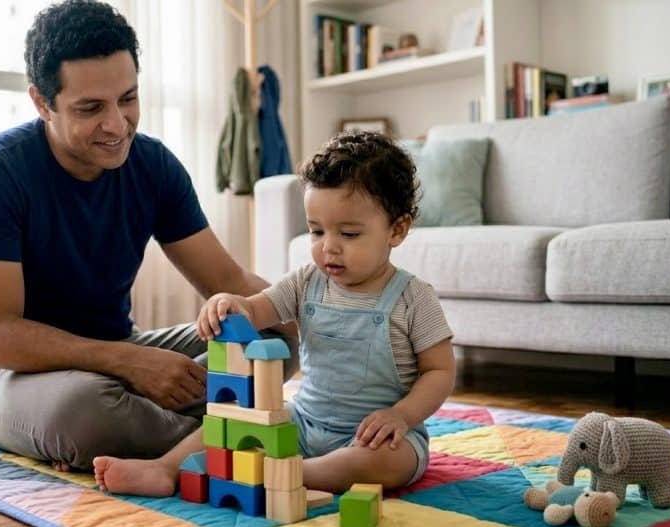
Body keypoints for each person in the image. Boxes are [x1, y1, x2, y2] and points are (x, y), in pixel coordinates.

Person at [0, 0, 291, 473]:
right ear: (42, 102)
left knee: (270, 337)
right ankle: (236, 437)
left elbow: (226, 278)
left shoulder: (153, 165)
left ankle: (158, 437)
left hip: (118, 360)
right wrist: (129, 363)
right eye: (91, 108)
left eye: (127, 98)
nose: (117, 125)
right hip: (5, 378)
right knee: (84, 411)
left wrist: (321, 327)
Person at [94, 130, 456, 495]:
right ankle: (165, 468)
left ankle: (294, 474)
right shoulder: (306, 282)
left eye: (348, 234)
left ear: (397, 230)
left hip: (375, 436)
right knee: (231, 421)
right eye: (316, 231)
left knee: (390, 462)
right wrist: (231, 303)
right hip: (302, 422)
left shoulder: (414, 299)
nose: (328, 247)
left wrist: (402, 416)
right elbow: (257, 309)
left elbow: (439, 371)